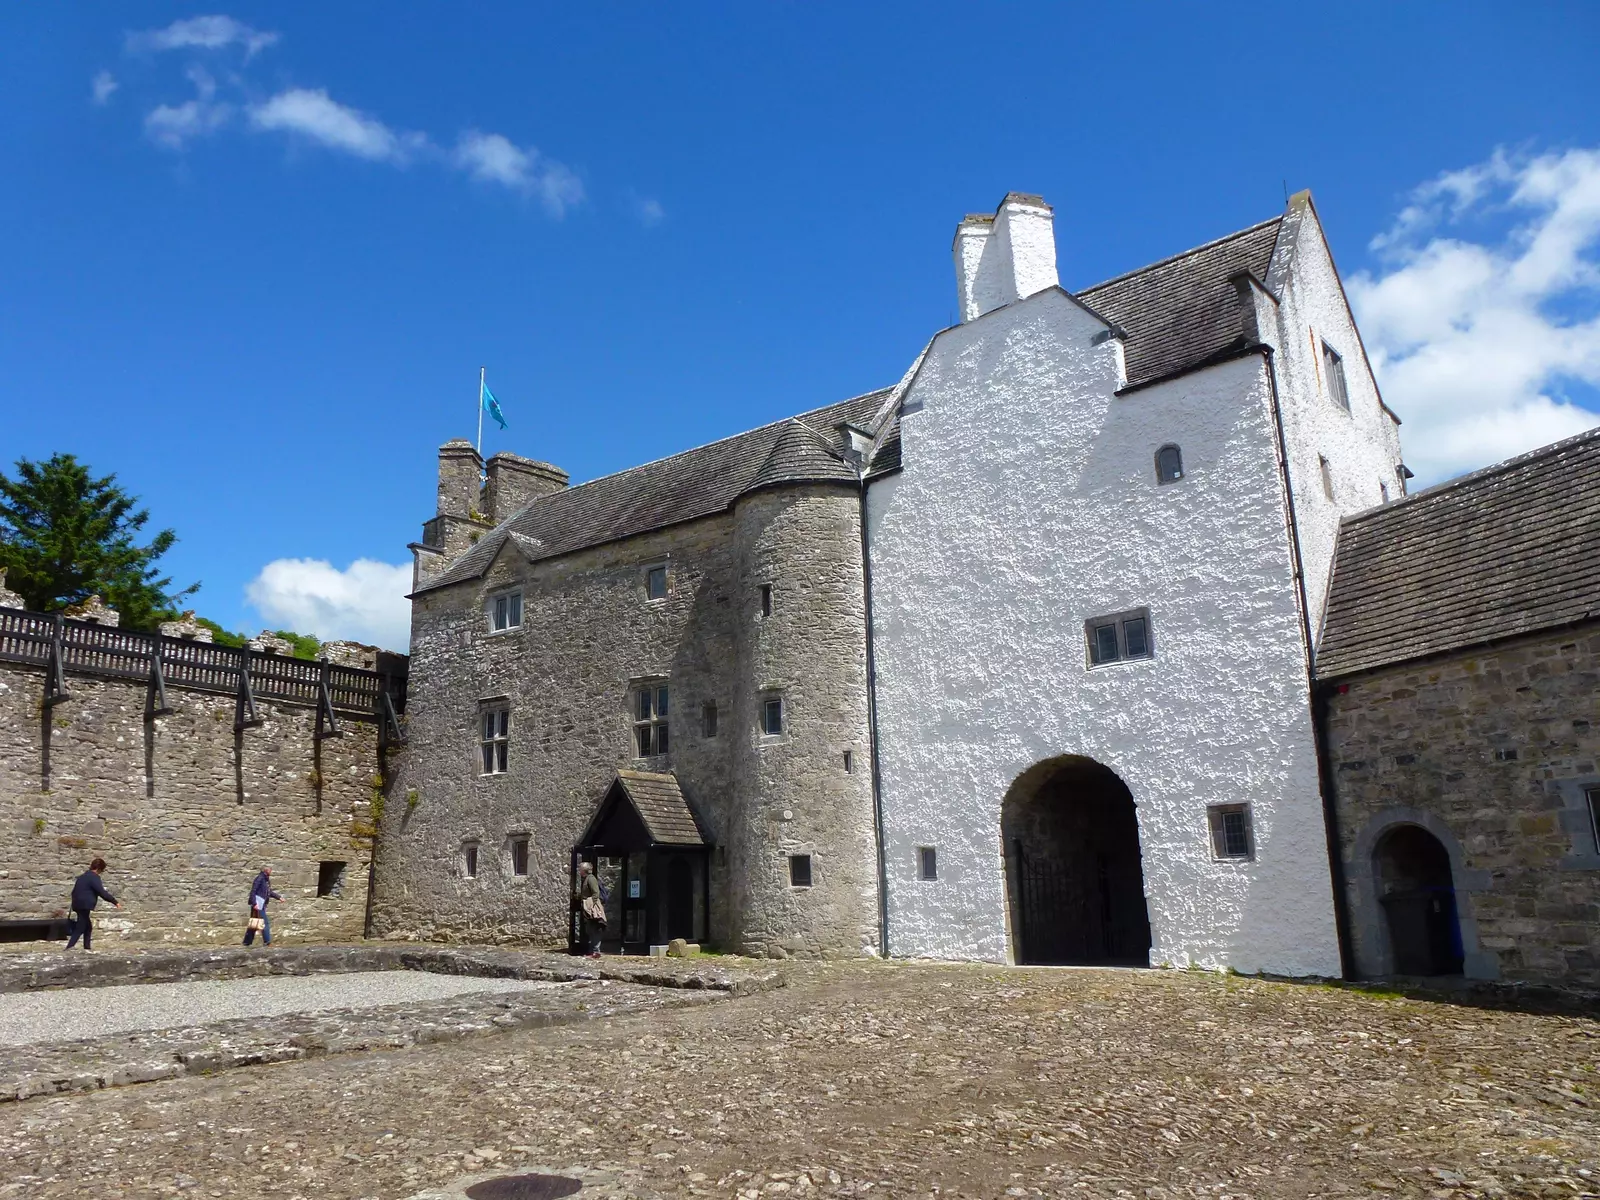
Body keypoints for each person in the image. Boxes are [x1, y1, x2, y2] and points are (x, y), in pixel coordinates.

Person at [64, 858, 120, 951]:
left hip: (77, 904)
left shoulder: (82, 877)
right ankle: (69, 947)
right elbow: (102, 892)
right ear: (99, 869)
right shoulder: (94, 877)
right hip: (84, 905)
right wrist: (115, 902)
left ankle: (87, 948)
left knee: (88, 927)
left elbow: (74, 892)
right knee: (81, 926)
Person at [244, 865, 284, 947]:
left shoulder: (266, 880)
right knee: (265, 922)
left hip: (261, 904)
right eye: (270, 870)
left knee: (254, 923)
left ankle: (247, 942)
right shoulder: (260, 878)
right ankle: (267, 942)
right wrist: (254, 903)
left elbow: (269, 892)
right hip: (258, 904)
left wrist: (279, 897)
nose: (271, 871)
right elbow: (253, 891)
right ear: (266, 870)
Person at [576, 861, 606, 958]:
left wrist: (591, 906)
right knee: (590, 929)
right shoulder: (586, 879)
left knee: (595, 929)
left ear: (584, 870)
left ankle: (596, 952)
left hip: (592, 908)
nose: (579, 870)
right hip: (588, 908)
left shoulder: (591, 879)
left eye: (580, 869)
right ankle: (592, 951)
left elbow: (595, 893)